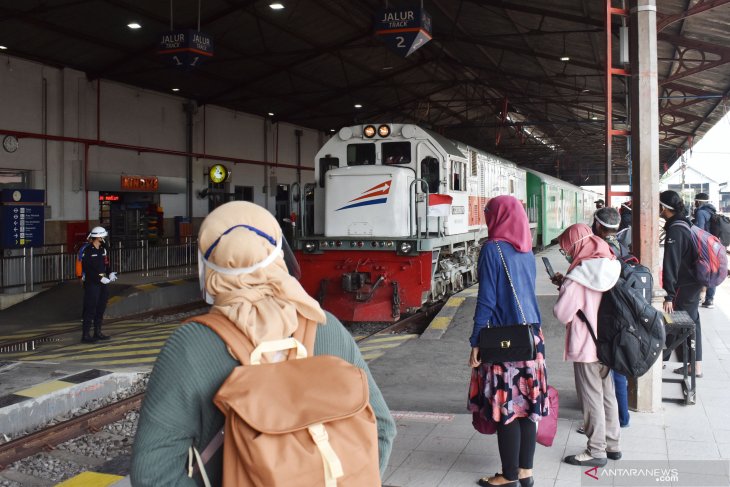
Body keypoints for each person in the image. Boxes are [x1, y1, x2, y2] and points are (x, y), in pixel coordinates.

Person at [130, 201, 395, 485]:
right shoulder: (325, 325)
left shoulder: (190, 345)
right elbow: (381, 428)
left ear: (206, 268)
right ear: (279, 255)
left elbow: (153, 473)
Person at [468, 195, 548, 487]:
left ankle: (508, 475)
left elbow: (486, 300)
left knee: (508, 408)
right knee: (528, 406)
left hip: (505, 341)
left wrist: (476, 340)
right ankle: (525, 471)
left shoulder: (493, 249)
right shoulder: (525, 249)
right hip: (531, 338)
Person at [552, 223, 622, 467]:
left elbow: (562, 314)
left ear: (577, 245)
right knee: (607, 394)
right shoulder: (611, 265)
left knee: (591, 397)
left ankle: (596, 451)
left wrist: (564, 290)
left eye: (567, 249)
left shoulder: (578, 276)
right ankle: (612, 444)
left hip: (585, 345)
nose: (568, 254)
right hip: (607, 341)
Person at [591, 208, 630, 428]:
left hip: (606, 314)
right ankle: (622, 417)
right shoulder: (622, 245)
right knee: (617, 370)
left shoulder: (600, 249)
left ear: (597, 225)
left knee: (606, 372)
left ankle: (615, 419)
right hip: (621, 312)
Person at [660, 190, 703, 377]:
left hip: (683, 286)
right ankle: (695, 365)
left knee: (674, 321)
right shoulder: (684, 222)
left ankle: (662, 360)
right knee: (692, 322)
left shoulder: (675, 230)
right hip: (692, 283)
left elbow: (671, 264)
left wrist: (668, 295)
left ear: (663, 208)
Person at [80, 226, 116, 343]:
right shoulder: (88, 251)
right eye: (103, 236)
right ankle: (85, 335)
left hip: (102, 283)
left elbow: (106, 264)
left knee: (101, 307)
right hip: (92, 283)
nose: (105, 238)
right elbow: (88, 269)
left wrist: (110, 273)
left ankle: (97, 332)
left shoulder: (102, 250)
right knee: (90, 308)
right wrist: (99, 278)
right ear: (98, 237)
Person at [693, 192, 716, 308]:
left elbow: (699, 231)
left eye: (695, 201)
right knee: (712, 272)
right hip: (714, 245)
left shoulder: (701, 212)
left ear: (698, 201)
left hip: (705, 246)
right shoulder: (711, 211)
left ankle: (696, 297)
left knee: (700, 270)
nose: (694, 203)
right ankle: (709, 300)